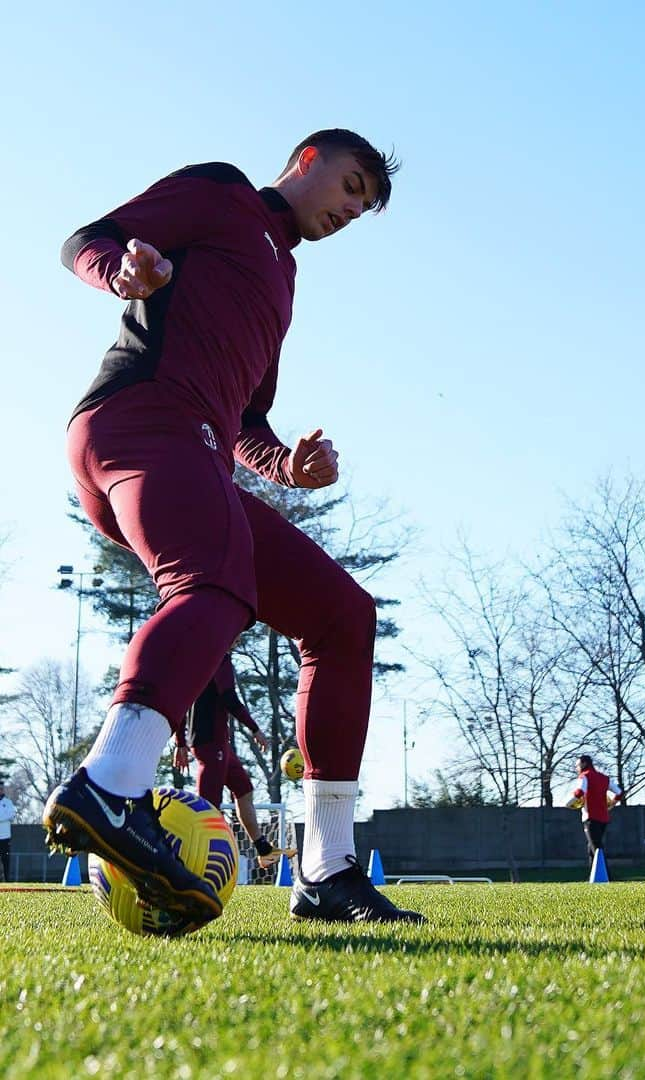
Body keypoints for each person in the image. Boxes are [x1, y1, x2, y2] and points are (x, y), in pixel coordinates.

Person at [44, 129, 422, 926]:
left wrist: (289, 468)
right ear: (307, 162)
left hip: (200, 452)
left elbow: (248, 420)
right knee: (214, 585)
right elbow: (88, 239)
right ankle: (110, 786)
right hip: (138, 422)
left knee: (342, 616)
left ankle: (326, 871)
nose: (352, 210)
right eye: (350, 185)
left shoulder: (281, 278)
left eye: (364, 206)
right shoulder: (220, 193)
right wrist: (123, 272)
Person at [172, 654, 288, 869]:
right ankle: (192, 863)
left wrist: (180, 741)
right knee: (208, 808)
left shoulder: (198, 657)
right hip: (210, 743)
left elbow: (183, 698)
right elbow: (229, 698)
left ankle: (263, 849)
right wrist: (255, 729)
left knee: (244, 790)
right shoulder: (217, 658)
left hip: (218, 743)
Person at [566, 755, 622, 868]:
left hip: (590, 817)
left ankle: (606, 876)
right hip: (604, 818)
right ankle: (594, 875)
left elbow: (580, 792)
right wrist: (611, 805)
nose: (576, 768)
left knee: (596, 848)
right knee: (591, 847)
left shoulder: (584, 776)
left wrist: (568, 803)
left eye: (577, 765)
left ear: (584, 764)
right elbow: (619, 793)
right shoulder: (604, 778)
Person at [0, 782, 15, 881]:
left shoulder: (8, 802)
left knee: (6, 859)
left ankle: (7, 880)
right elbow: (6, 815)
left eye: (1, 789)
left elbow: (11, 815)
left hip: (5, 836)